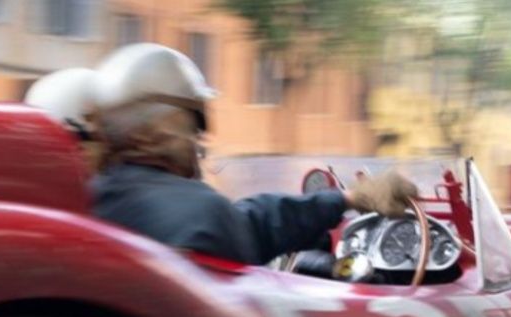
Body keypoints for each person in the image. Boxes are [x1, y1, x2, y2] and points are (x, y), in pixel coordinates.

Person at [26, 43, 417, 266]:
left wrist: (344, 199)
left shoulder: (80, 202)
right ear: (169, 125)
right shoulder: (199, 212)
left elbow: (251, 218)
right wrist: (347, 199)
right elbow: (244, 225)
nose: (199, 141)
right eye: (195, 124)